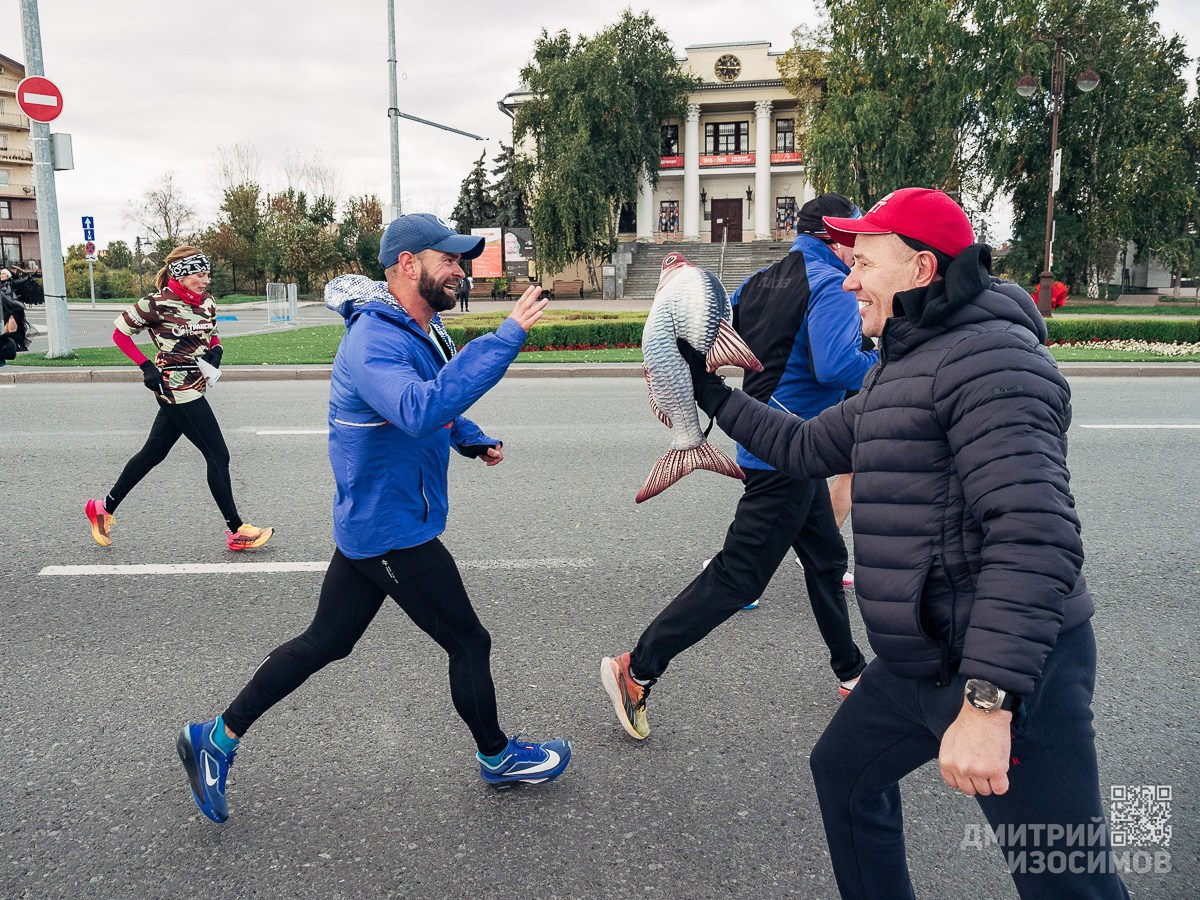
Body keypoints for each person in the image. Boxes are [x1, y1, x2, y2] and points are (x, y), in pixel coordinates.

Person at [673, 188, 1130, 899]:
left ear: (920, 270)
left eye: (863, 263)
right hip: (924, 656)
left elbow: (1035, 539)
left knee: (1067, 878)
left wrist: (988, 704)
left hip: (1006, 670)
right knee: (845, 775)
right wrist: (710, 393)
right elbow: (804, 446)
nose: (848, 279)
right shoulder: (906, 361)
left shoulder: (993, 365)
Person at [176, 213, 572, 825]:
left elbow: (433, 396)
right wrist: (505, 336)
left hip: (373, 522)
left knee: (326, 642)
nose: (461, 270)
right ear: (408, 264)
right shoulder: (374, 341)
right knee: (469, 640)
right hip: (392, 531)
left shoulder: (422, 329)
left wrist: (469, 438)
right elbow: (417, 407)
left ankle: (216, 738)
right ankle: (497, 756)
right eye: (450, 260)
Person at [600, 193, 879, 742]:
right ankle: (636, 668)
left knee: (825, 558)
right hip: (792, 449)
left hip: (764, 435)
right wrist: (880, 353)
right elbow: (838, 363)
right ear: (836, 238)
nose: (859, 254)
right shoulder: (831, 286)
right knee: (738, 576)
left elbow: (715, 341)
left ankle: (850, 670)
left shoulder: (760, 280)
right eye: (856, 241)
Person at [82, 246, 273, 551]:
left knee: (153, 453)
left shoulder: (207, 303)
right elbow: (120, 334)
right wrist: (145, 366)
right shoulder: (155, 304)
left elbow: (212, 332)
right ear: (181, 275)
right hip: (173, 387)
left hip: (196, 382)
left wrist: (217, 350)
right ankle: (236, 530)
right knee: (217, 455)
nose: (205, 280)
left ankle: (103, 509)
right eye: (200, 274)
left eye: (207, 273)